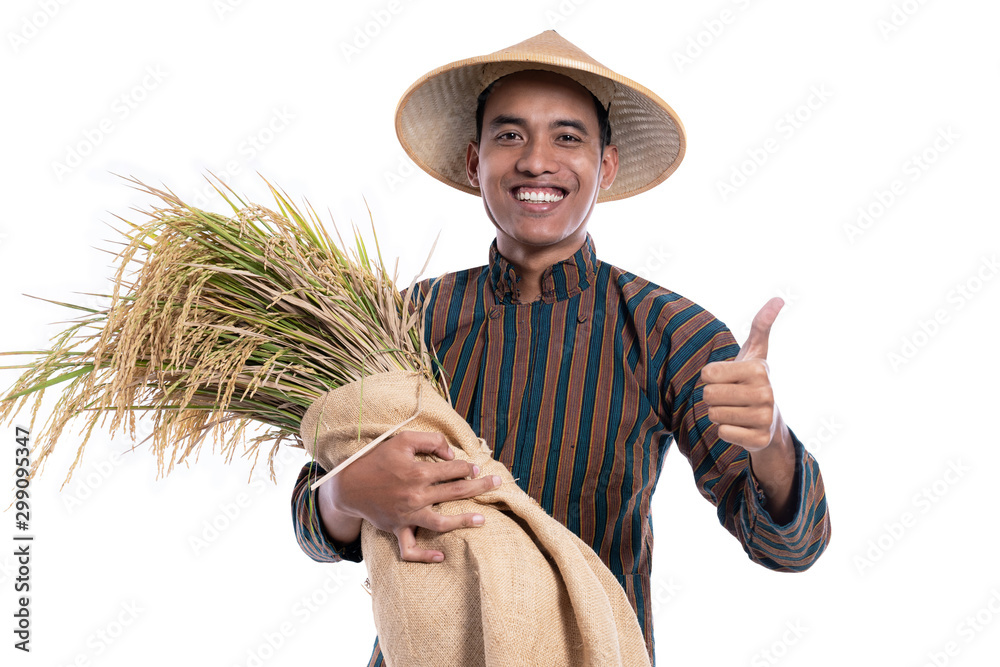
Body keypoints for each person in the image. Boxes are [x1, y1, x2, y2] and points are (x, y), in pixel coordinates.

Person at [290, 30, 831, 666]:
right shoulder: (402, 322)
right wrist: (345, 494)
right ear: (474, 162)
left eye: (567, 137)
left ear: (605, 167)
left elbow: (791, 548)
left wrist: (771, 441)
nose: (536, 160)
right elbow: (314, 520)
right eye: (510, 135)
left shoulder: (668, 329)